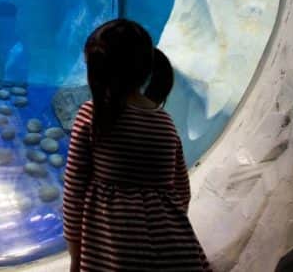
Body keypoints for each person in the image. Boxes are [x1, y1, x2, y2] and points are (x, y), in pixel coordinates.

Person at [62, 19, 211, 271]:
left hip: (116, 255)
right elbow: (181, 192)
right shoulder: (164, 121)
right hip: (178, 252)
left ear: (95, 72)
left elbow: (73, 196)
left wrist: (76, 260)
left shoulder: (94, 116)